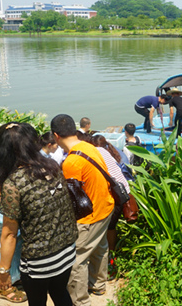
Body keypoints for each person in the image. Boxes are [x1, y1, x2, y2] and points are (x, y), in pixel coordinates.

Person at [0, 122, 77, 306]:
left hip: (39, 262)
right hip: (67, 251)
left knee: (37, 302)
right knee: (60, 293)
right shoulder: (53, 166)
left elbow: (9, 234)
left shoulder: (14, 183)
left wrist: (3, 272)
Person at [51, 114, 114, 305]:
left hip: (90, 217)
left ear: (55, 136)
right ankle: (99, 284)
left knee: (77, 258)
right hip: (106, 206)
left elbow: (71, 199)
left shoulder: (71, 163)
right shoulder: (89, 147)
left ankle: (80, 300)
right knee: (99, 247)